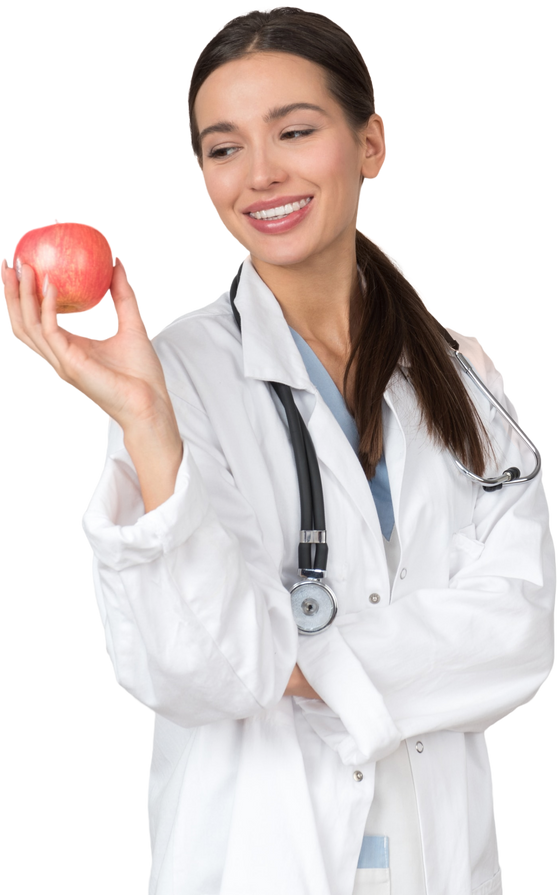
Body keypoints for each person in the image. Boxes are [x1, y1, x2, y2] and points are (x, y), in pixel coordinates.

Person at [2, 7, 555, 895]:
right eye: (223, 149)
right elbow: (193, 672)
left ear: (371, 143)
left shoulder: (471, 373)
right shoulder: (166, 373)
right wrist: (142, 419)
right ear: (202, 176)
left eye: (295, 131)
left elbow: (527, 624)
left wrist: (300, 660)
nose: (261, 174)